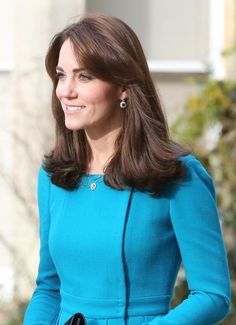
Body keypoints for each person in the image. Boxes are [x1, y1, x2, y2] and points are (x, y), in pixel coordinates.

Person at [24, 13, 230, 325]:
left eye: (84, 77)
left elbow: (212, 295)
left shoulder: (178, 176)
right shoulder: (54, 177)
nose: (65, 91)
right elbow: (50, 287)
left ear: (122, 87)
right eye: (61, 75)